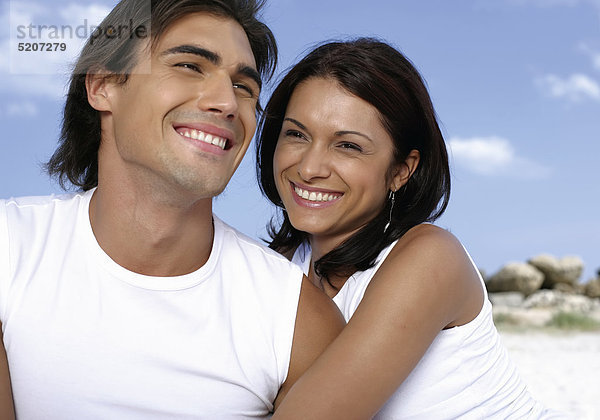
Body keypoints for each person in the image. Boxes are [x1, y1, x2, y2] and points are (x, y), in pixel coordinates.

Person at [0, 0, 344, 418]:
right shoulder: (9, 245)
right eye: (189, 66)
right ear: (103, 83)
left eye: (244, 87)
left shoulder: (298, 324)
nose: (227, 103)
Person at [257, 38, 562, 418]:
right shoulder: (280, 266)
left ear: (402, 170)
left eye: (348, 146)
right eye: (297, 134)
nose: (309, 167)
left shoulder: (428, 257)